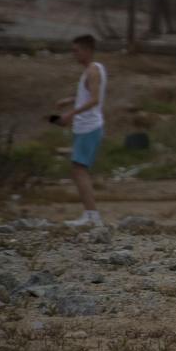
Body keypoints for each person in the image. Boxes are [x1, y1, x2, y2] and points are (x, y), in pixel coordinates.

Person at [53, 33, 106, 227]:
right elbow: (88, 95)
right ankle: (90, 214)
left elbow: (94, 99)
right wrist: (70, 100)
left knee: (79, 169)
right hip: (85, 126)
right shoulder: (93, 70)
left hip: (89, 126)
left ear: (87, 50)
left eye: (76, 50)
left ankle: (92, 215)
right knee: (78, 169)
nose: (74, 54)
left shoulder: (93, 71)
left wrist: (70, 114)